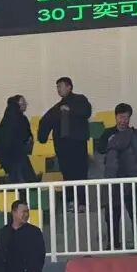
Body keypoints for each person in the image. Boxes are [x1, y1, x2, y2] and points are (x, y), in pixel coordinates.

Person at [97, 103, 137, 246]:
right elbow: (100, 149)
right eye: (121, 117)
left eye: (126, 117)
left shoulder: (136, 134)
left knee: (135, 211)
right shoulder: (108, 133)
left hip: (131, 178)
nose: (124, 120)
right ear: (115, 117)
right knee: (112, 213)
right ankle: (113, 243)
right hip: (113, 178)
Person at [37, 77, 91, 208]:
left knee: (80, 173)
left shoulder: (80, 100)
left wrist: (70, 110)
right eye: (57, 87)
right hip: (62, 147)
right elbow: (45, 121)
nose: (58, 89)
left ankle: (82, 203)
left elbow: (86, 112)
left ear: (69, 87)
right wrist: (42, 138)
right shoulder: (57, 108)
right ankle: (70, 201)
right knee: (67, 174)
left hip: (78, 144)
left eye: (60, 86)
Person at [0, 200, 45, 272]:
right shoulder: (3, 233)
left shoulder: (34, 232)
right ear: (14, 212)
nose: (26, 214)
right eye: (23, 212)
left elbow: (40, 254)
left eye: (27, 212)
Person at [0, 95, 37, 184]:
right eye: (23, 102)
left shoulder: (4, 123)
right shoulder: (22, 120)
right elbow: (27, 137)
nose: (25, 104)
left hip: (9, 160)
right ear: (17, 105)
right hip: (19, 159)